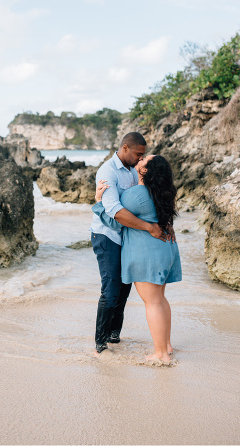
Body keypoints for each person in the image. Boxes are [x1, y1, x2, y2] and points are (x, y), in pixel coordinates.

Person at [93, 154, 181, 365]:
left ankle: (161, 354)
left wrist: (98, 202)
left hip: (147, 254)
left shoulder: (138, 194)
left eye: (142, 161)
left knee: (152, 303)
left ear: (146, 172)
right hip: (165, 250)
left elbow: (115, 220)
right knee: (159, 300)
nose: (138, 161)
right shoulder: (163, 192)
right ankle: (166, 345)